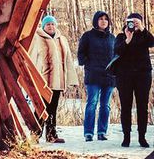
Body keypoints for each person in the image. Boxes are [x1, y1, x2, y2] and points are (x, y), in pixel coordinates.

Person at [29, 15, 77, 144]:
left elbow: (68, 61)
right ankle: (35, 135)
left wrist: (72, 81)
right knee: (41, 107)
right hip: (43, 81)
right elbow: (31, 59)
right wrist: (30, 80)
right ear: (43, 26)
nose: (51, 26)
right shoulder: (37, 39)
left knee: (52, 109)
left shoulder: (62, 40)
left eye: (52, 24)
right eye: (48, 24)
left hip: (58, 81)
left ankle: (51, 135)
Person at [113, 12, 154, 148]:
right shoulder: (121, 36)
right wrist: (127, 39)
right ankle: (126, 137)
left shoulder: (144, 36)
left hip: (143, 75)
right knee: (126, 107)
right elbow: (118, 51)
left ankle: (142, 137)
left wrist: (142, 28)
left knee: (142, 107)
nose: (133, 25)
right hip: (124, 76)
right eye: (131, 22)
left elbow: (152, 42)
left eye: (136, 22)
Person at [77, 11, 115, 142]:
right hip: (93, 76)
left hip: (109, 77)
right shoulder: (88, 36)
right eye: (100, 19)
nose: (104, 21)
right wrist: (89, 63)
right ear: (95, 21)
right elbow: (80, 54)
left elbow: (116, 56)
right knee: (92, 103)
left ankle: (102, 132)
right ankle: (88, 133)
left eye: (106, 19)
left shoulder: (112, 38)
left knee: (105, 105)